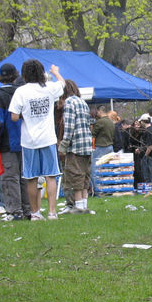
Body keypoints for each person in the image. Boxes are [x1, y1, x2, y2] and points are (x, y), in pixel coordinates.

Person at [9, 59, 65, 220]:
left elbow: (13, 116)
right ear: (41, 73)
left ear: (25, 74)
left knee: (31, 178)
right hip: (47, 138)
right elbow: (62, 84)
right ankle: (52, 212)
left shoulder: (21, 91)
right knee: (51, 175)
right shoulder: (48, 88)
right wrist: (55, 72)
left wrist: (25, 115)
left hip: (29, 140)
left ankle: (35, 212)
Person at [0, 63, 31, 221]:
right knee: (24, 178)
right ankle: (28, 210)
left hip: (7, 142)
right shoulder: (24, 93)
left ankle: (14, 211)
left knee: (9, 178)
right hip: (26, 140)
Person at [58, 78, 93, 214]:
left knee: (75, 175)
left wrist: (63, 145)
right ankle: (84, 205)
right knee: (85, 175)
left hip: (76, 146)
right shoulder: (83, 102)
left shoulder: (69, 103)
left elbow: (69, 126)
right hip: (87, 144)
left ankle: (78, 206)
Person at [127, 114, 152, 192]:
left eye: (141, 122)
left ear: (144, 121)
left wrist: (145, 156)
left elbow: (150, 146)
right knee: (149, 173)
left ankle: (151, 189)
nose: (140, 124)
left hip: (149, 156)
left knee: (149, 174)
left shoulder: (148, 131)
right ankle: (150, 188)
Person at [90, 106, 114, 195]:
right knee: (107, 170)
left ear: (100, 111)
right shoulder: (111, 122)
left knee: (95, 170)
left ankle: (98, 191)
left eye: (98, 112)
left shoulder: (100, 122)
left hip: (100, 147)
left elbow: (93, 135)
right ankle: (108, 190)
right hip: (110, 147)